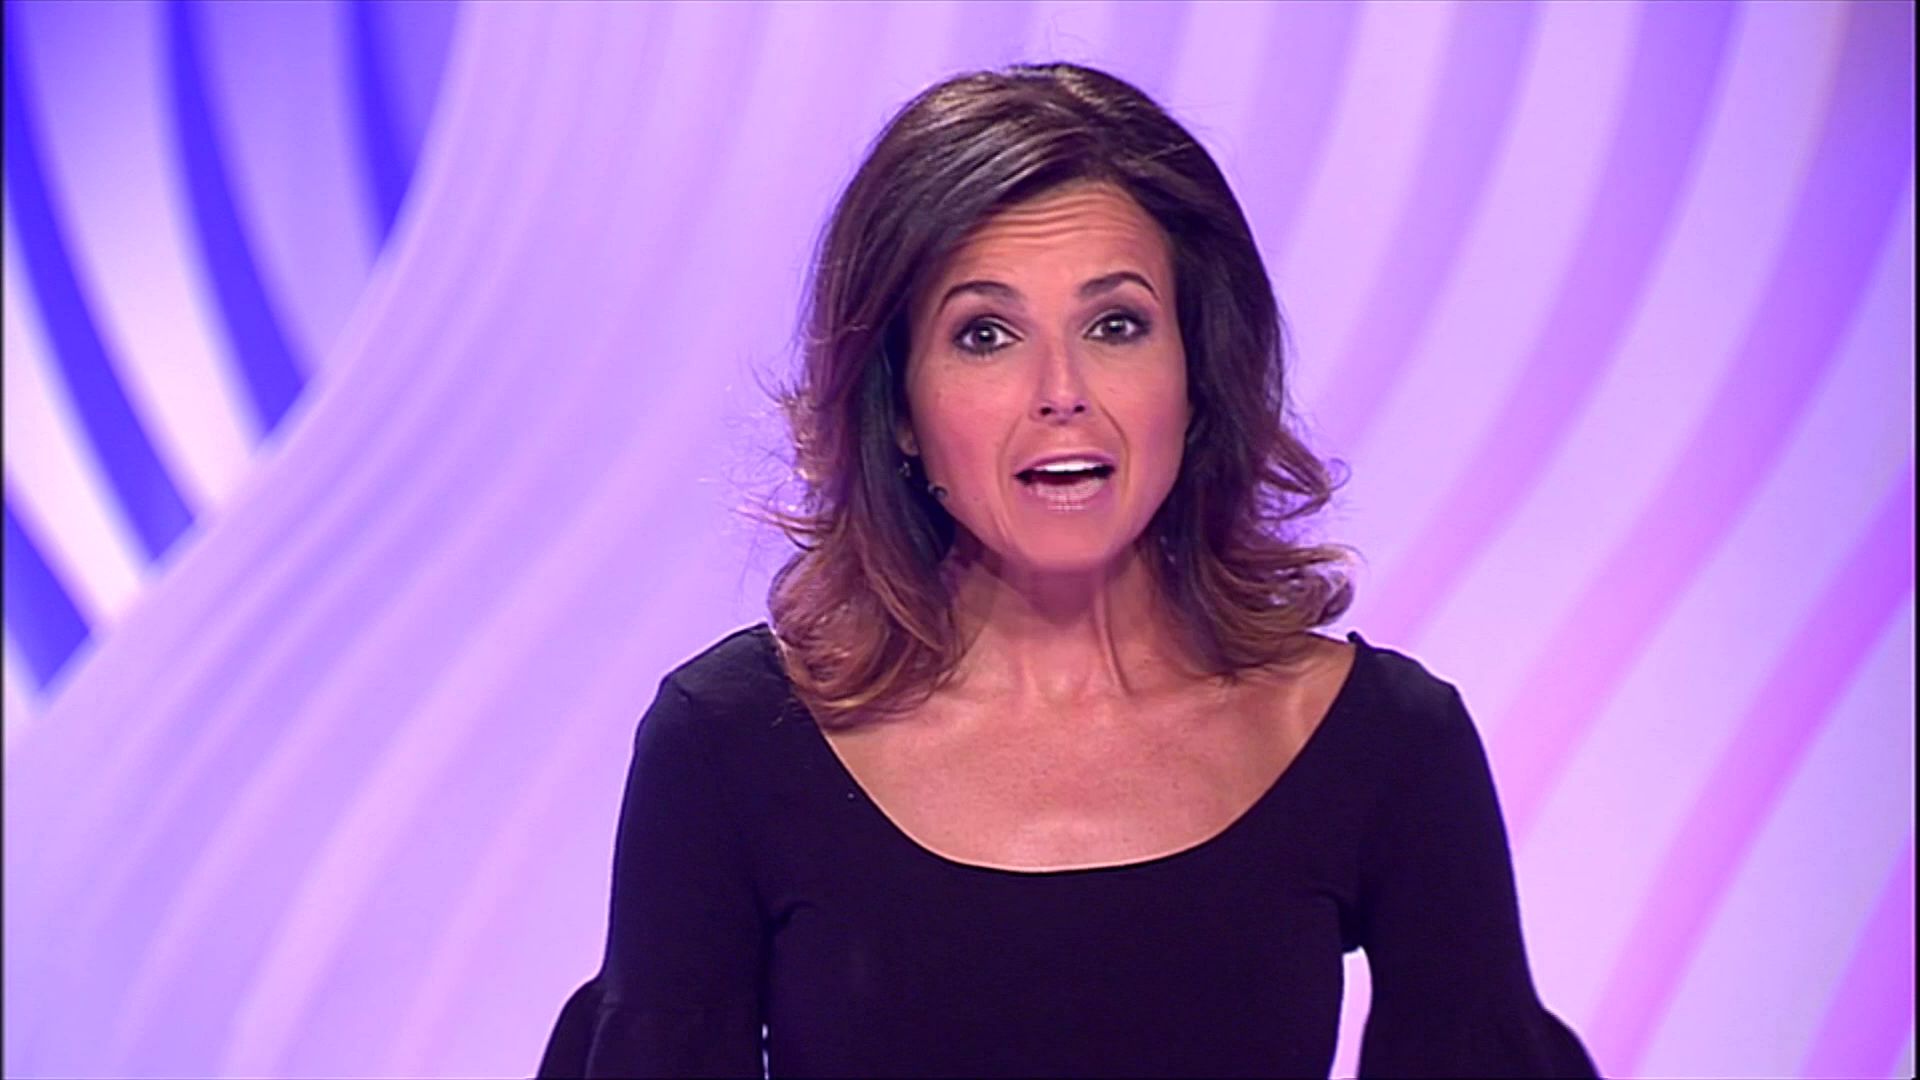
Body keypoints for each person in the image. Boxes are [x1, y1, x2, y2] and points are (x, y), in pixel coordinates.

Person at [539, 62, 1601, 1079]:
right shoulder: (730, 744)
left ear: (1197, 375)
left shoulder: (1383, 744)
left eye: (1115, 324)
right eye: (986, 334)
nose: (1061, 390)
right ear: (897, 408)